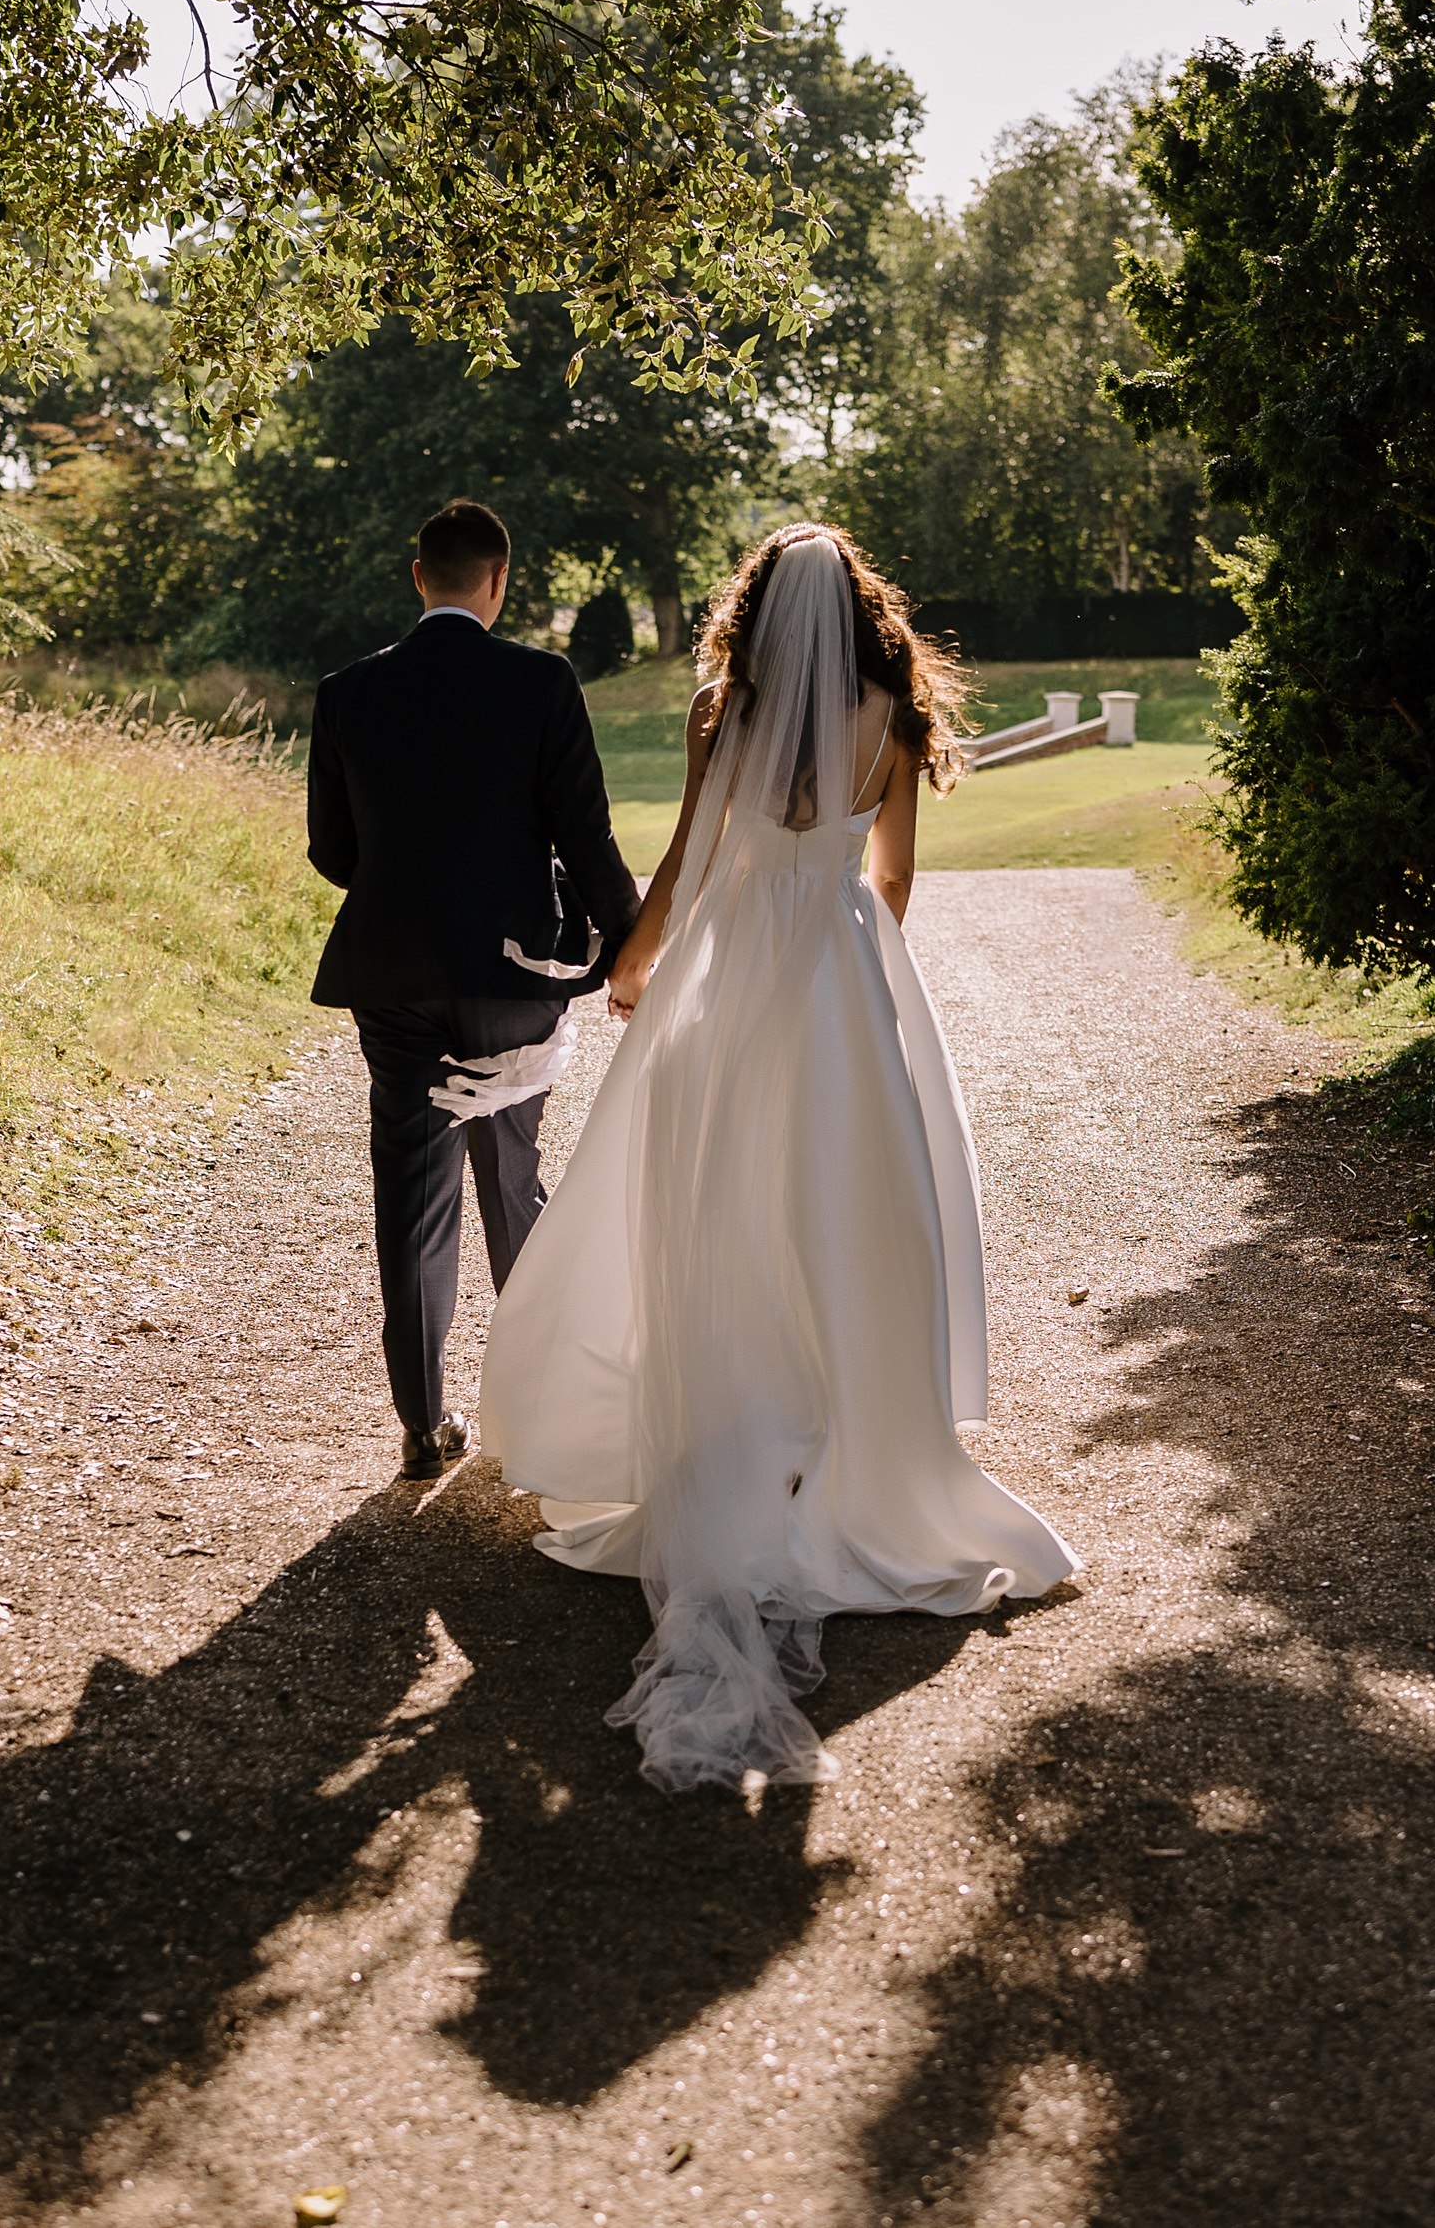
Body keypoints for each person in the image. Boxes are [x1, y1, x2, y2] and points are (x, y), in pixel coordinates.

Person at [479, 523, 1079, 1791]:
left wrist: (637, 969)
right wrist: (852, 966)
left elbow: (691, 862)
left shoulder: (722, 707)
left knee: (720, 1205)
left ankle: (731, 1430)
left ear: (756, 607)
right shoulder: (892, 713)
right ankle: (847, 1445)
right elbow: (893, 876)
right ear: (858, 610)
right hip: (842, 974)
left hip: (738, 966)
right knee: (850, 1209)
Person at [306, 499, 639, 1481]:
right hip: (510, 976)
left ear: (420, 576)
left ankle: (421, 1424)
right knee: (507, 1176)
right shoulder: (540, 680)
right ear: (497, 580)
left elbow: (333, 851)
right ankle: (535, 1419)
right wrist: (628, 948)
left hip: (395, 972)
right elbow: (586, 836)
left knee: (408, 1197)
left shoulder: (348, 691)